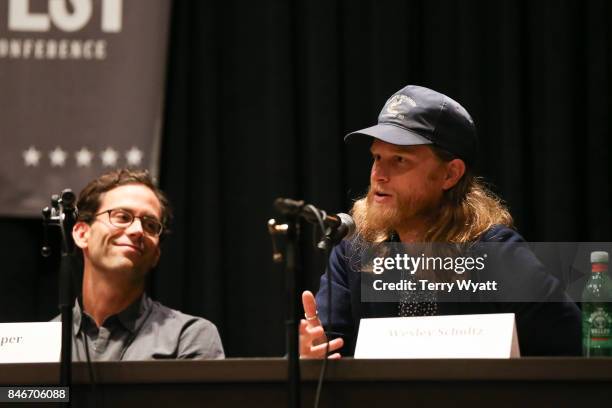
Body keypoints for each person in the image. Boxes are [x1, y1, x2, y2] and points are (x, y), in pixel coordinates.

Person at [299, 85, 581, 358]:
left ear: (450, 174)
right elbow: (328, 349)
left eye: (399, 159)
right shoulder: (354, 248)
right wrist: (312, 353)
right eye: (377, 157)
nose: (378, 175)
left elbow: (576, 348)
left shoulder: (495, 252)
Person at [54, 169, 224, 360]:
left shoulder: (187, 338)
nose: (137, 230)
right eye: (122, 217)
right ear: (82, 234)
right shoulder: (40, 344)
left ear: (156, 254)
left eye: (150, 225)